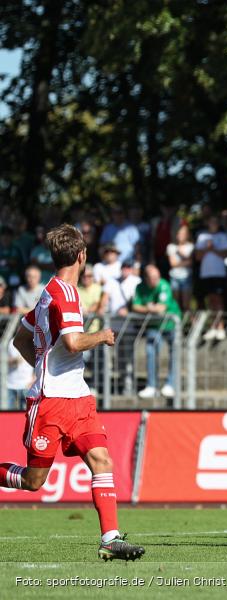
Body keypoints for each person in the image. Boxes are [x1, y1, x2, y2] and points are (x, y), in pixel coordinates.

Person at [0, 224, 144, 560]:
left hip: (78, 398)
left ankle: (110, 538)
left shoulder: (49, 292)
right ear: (82, 256)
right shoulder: (65, 294)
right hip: (51, 402)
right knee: (34, 481)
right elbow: (73, 342)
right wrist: (103, 336)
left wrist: (42, 365)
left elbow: (20, 339)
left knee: (102, 460)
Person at [132, 265, 182, 400]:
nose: (155, 280)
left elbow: (161, 307)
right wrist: (150, 308)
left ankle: (171, 384)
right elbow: (135, 306)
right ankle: (151, 385)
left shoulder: (164, 285)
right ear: (146, 278)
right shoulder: (139, 287)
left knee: (174, 353)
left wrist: (148, 307)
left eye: (157, 277)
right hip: (154, 325)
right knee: (150, 352)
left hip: (171, 324)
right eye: (152, 278)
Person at [196, 215, 227, 340]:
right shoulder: (201, 237)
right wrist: (207, 248)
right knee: (210, 300)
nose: (213, 224)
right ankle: (213, 327)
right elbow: (198, 256)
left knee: (218, 300)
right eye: (211, 221)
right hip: (206, 273)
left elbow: (225, 255)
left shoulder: (223, 236)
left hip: (219, 273)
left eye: (215, 221)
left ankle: (221, 327)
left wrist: (213, 248)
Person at [166, 224, 194, 311]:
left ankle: (188, 319)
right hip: (174, 277)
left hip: (187, 276)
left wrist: (179, 253)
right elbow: (172, 264)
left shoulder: (191, 246)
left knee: (186, 304)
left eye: (183, 234)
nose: (181, 236)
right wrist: (185, 261)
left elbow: (190, 262)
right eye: (179, 233)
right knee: (175, 303)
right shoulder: (170, 247)